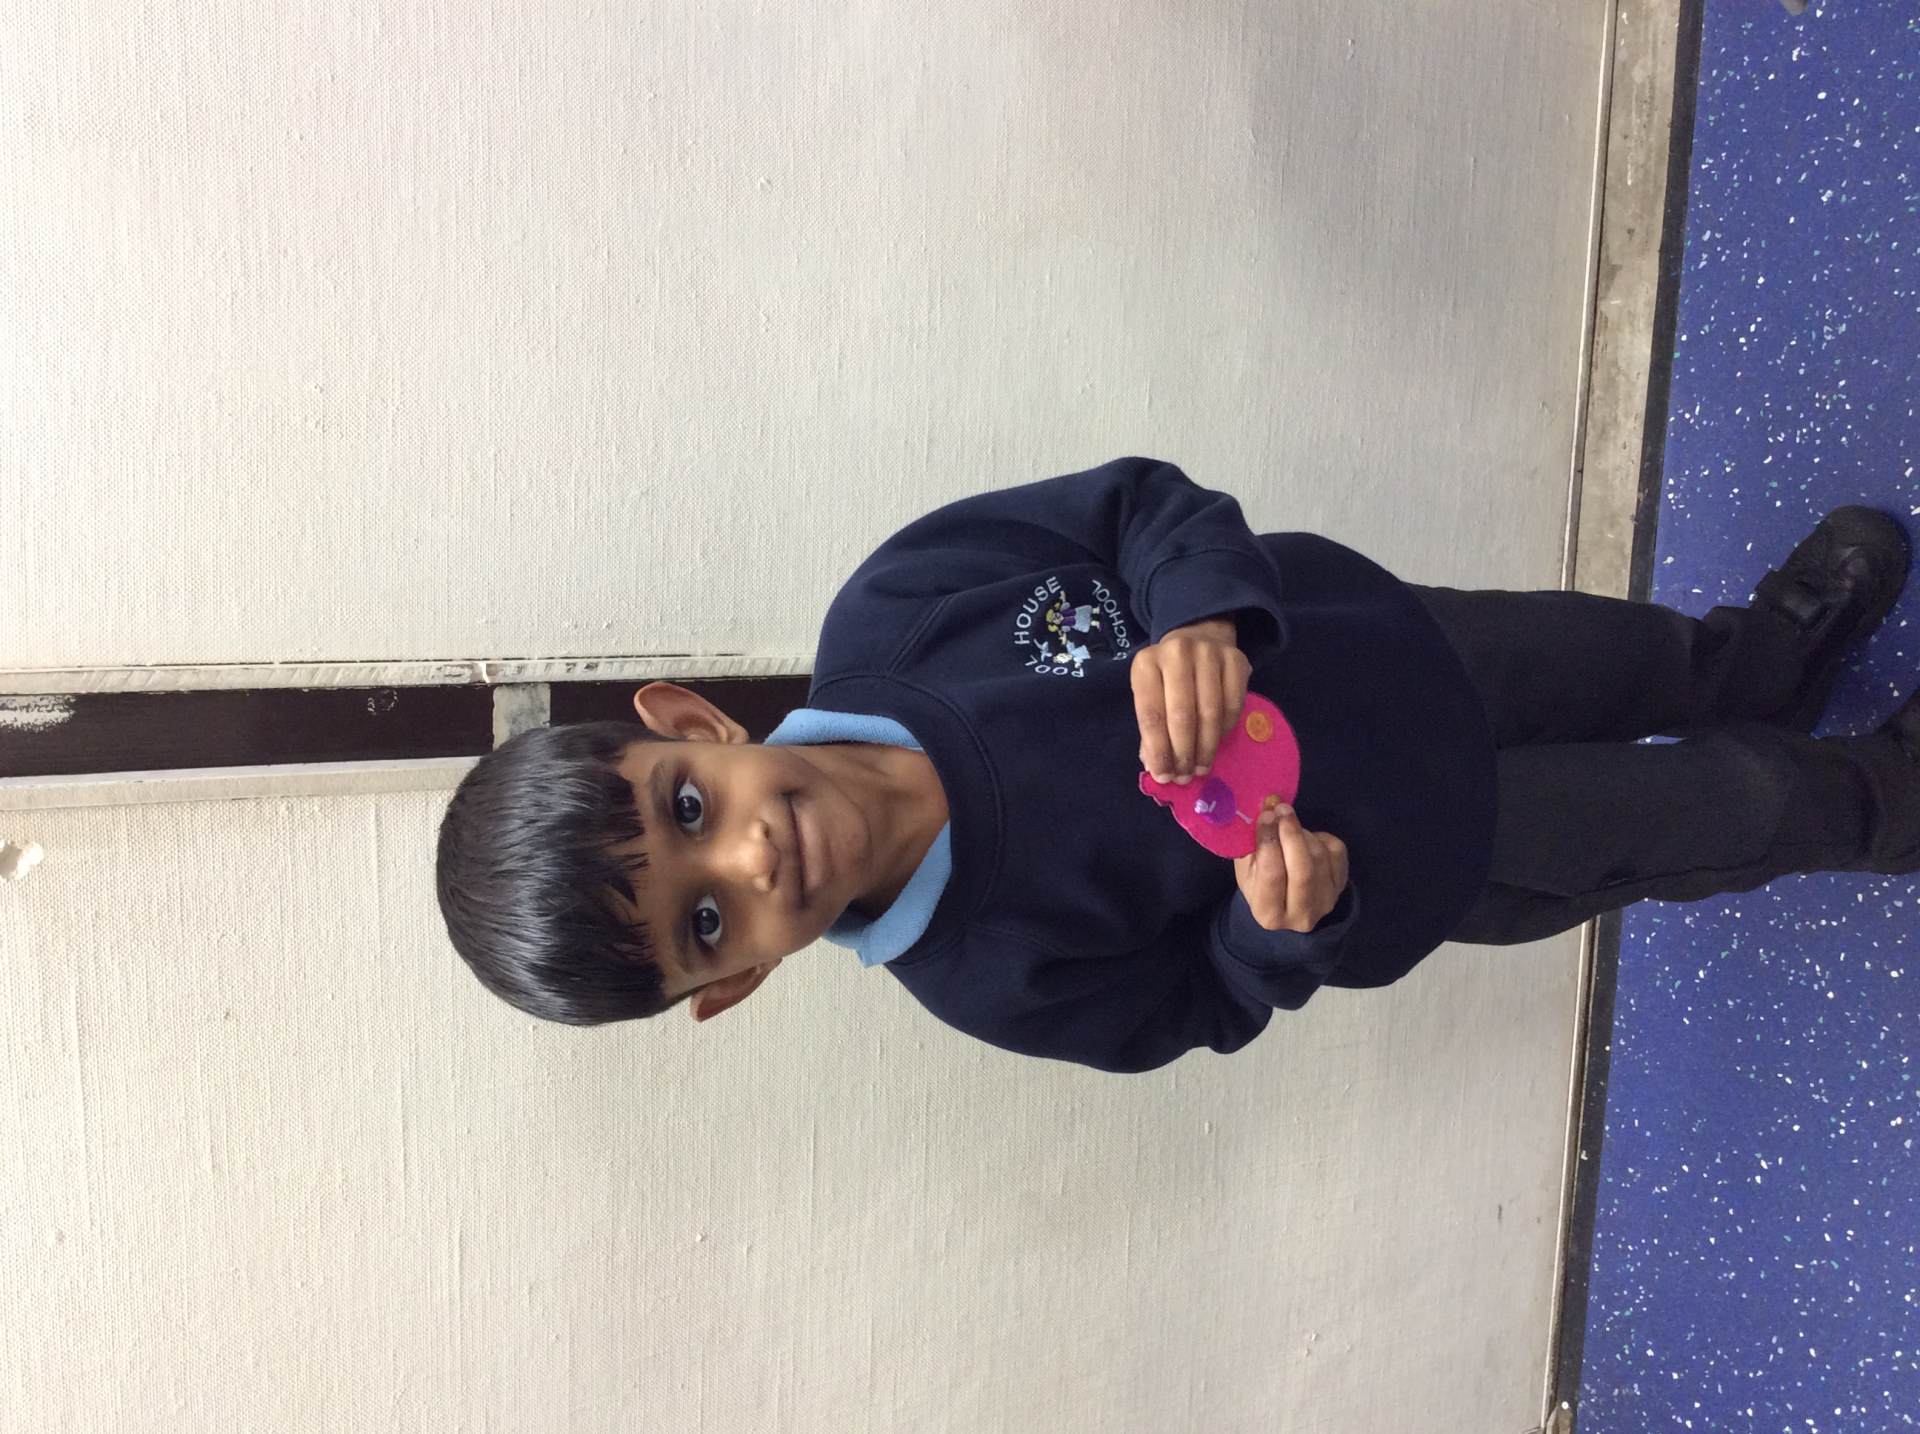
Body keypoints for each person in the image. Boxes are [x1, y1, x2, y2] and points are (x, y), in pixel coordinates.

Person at [435, 459, 1918, 1072]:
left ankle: (1760, 662)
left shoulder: (893, 611)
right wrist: (1274, 932)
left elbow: (1137, 506)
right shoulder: (988, 979)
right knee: (1732, 811)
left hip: (1397, 646)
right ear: (734, 982)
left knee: (1637, 656)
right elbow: (1200, 1003)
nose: (750, 858)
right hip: (1441, 857)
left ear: (694, 727)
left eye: (688, 810)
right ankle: (1880, 805)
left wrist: (1197, 612)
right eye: (705, 918)